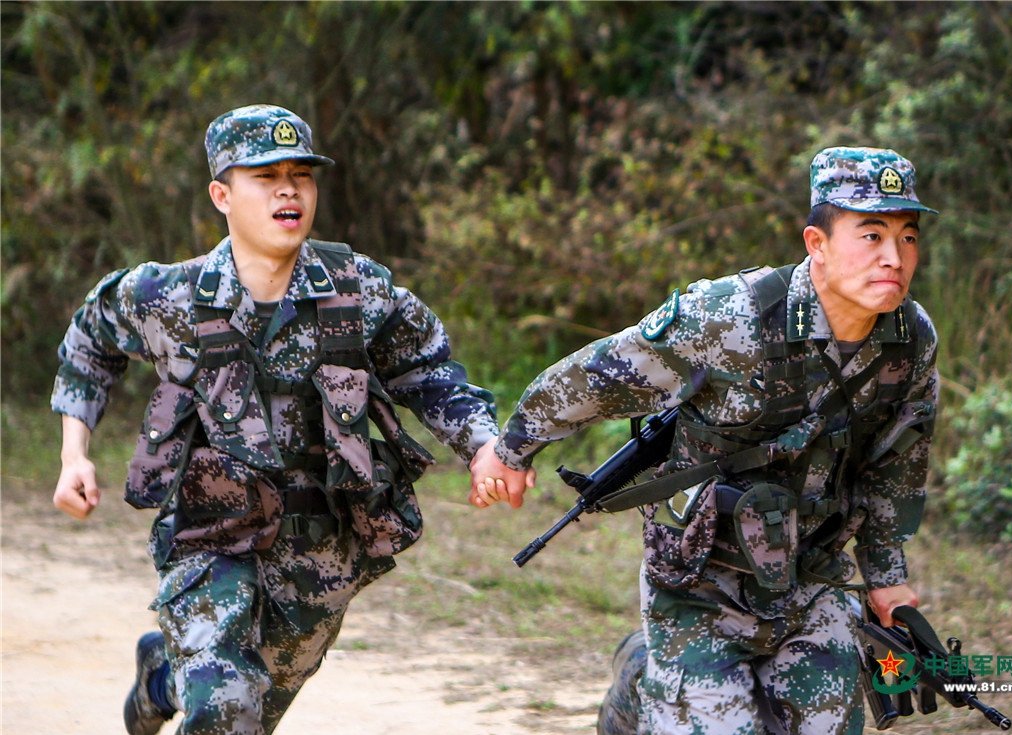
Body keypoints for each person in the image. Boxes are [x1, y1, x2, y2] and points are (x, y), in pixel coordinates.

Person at [51, 104, 530, 735]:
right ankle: (192, 675)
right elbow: (89, 340)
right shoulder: (166, 296)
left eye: (301, 175)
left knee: (253, 704)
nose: (288, 190)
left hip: (321, 549)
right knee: (227, 706)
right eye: (266, 176)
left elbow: (430, 371)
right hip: (209, 535)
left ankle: (163, 676)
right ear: (222, 195)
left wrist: (484, 446)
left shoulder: (358, 290)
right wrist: (74, 453)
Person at [469, 147, 940, 735]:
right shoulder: (730, 318)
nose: (894, 257)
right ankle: (643, 680)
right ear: (816, 243)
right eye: (871, 236)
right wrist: (509, 451)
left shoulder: (910, 339)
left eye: (907, 237)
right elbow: (594, 378)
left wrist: (886, 576)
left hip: (812, 577)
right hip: (698, 579)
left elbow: (895, 464)